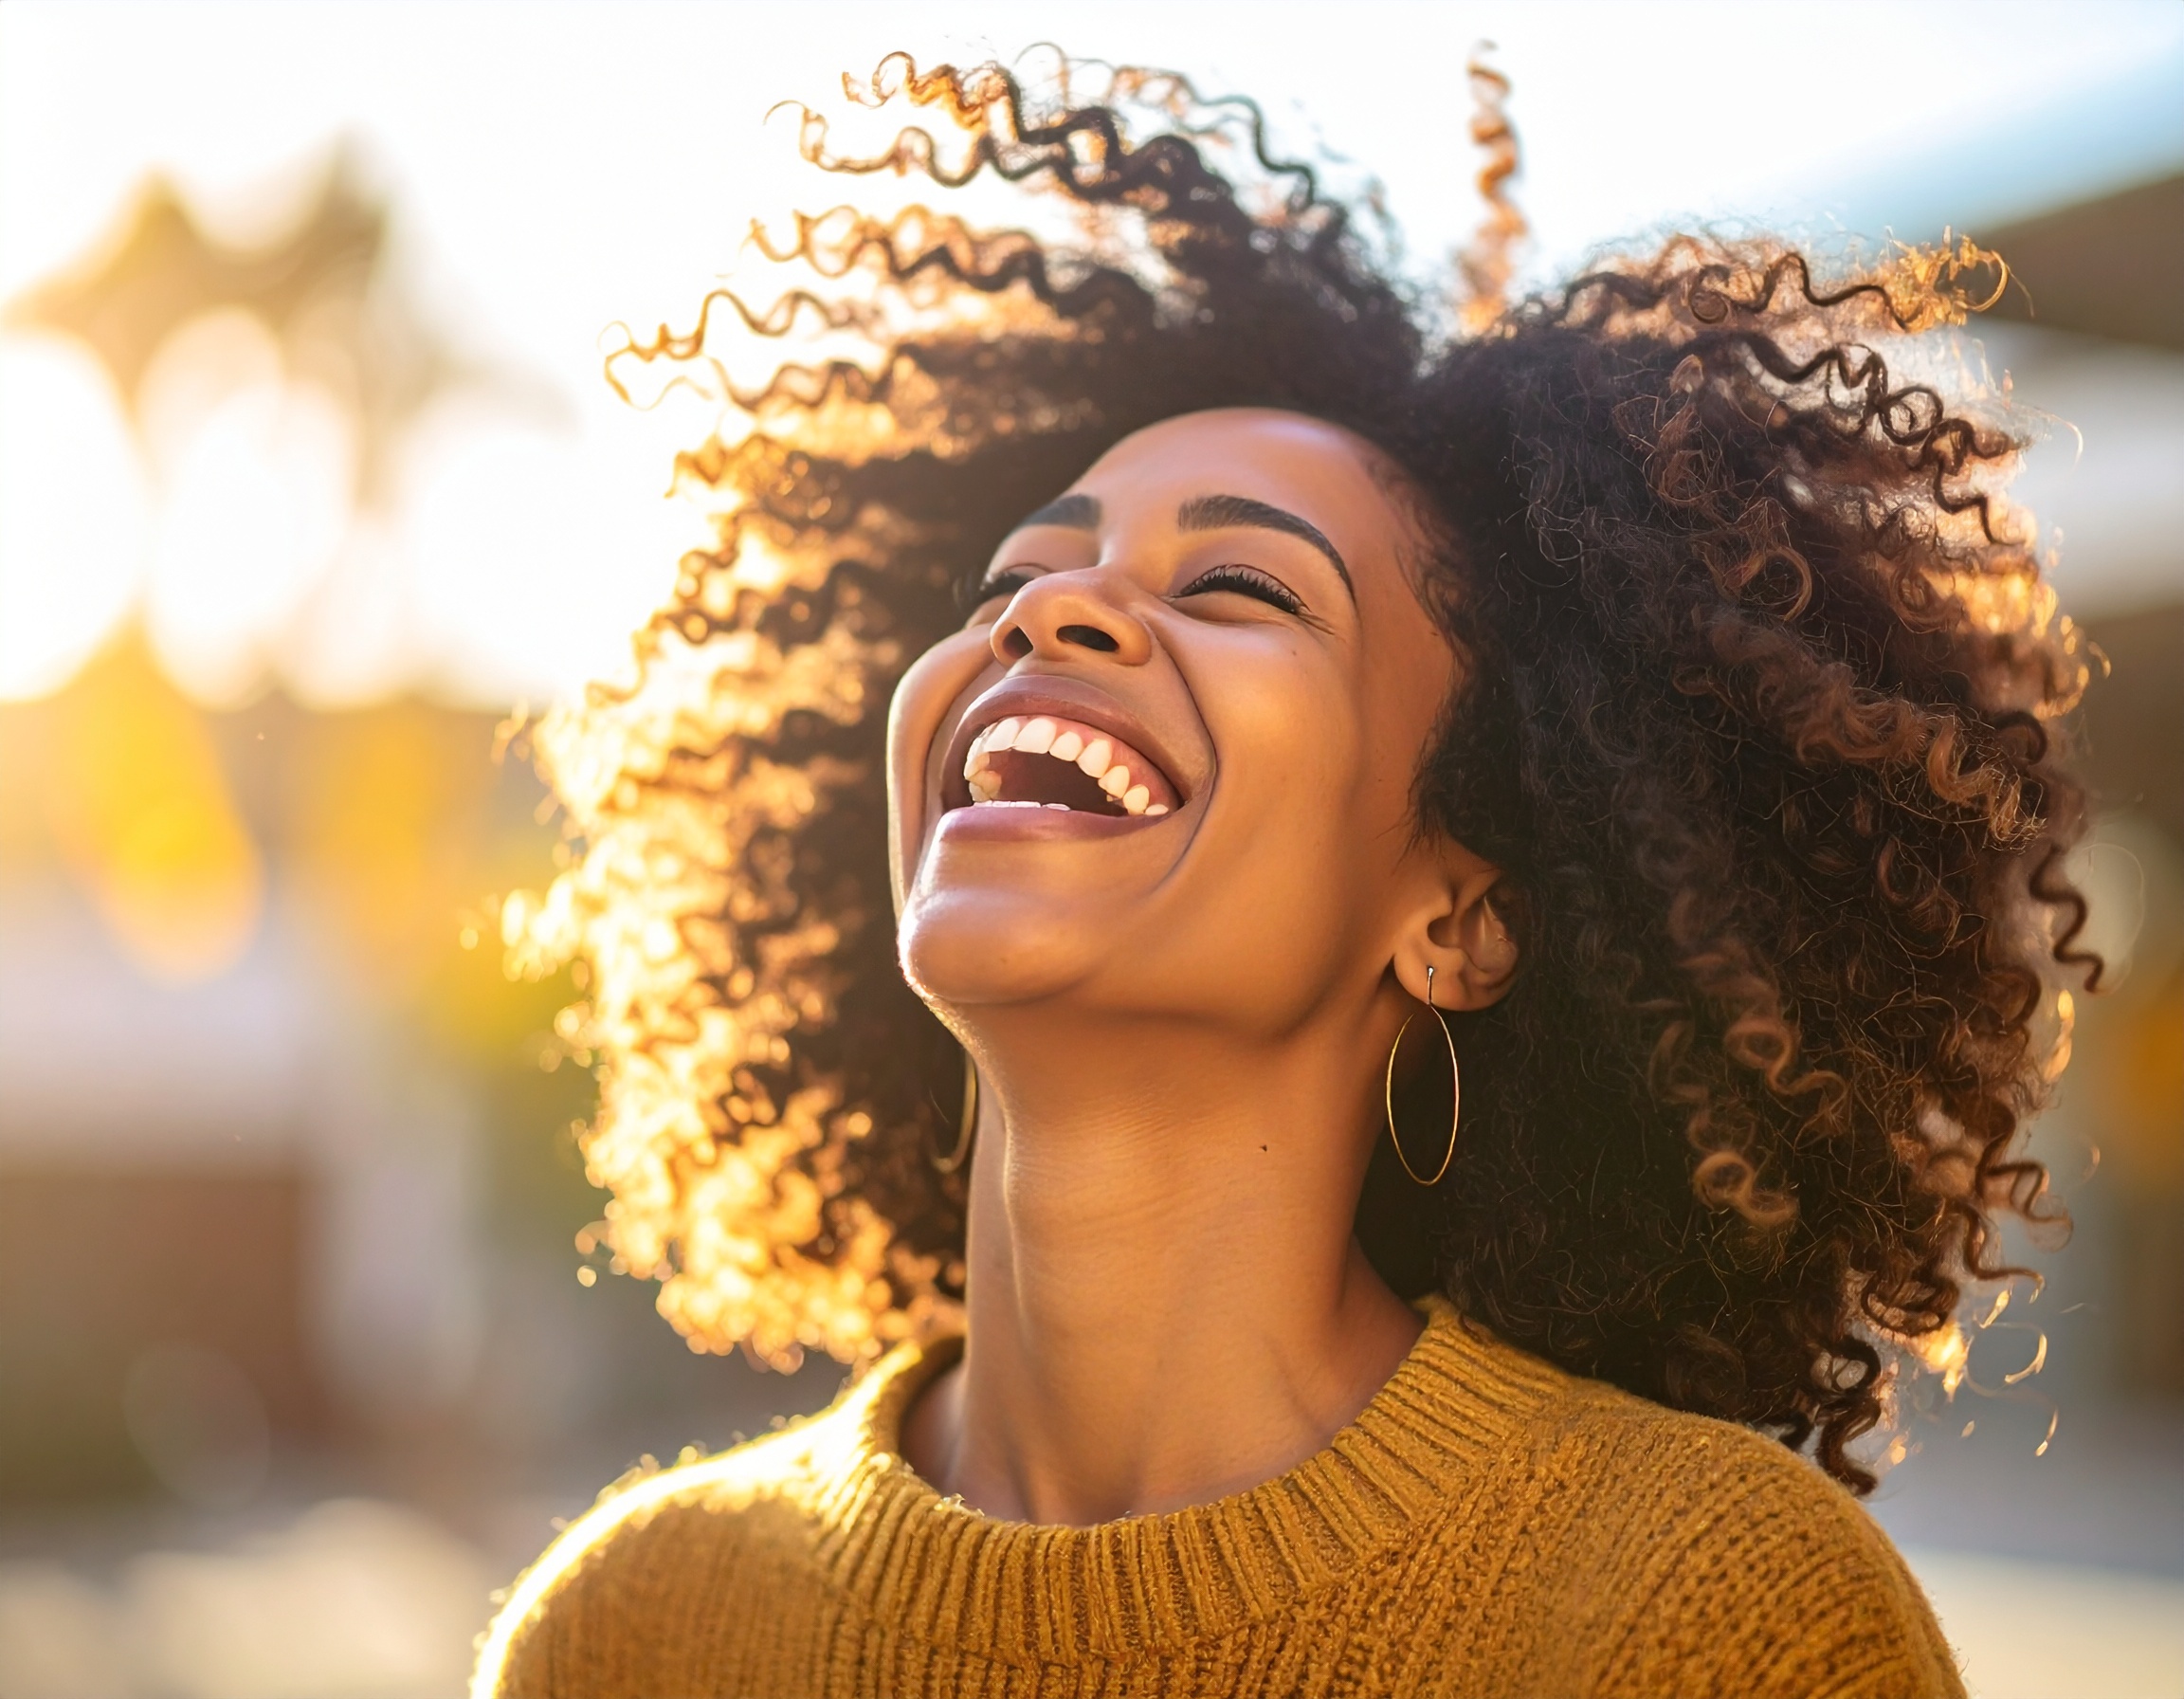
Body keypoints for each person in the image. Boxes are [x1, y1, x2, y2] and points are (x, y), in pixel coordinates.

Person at [474, 54, 2095, 1699]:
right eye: (1017, 578)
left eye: (1243, 585)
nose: (1048, 615)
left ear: (1460, 919)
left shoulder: (1705, 1620)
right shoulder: (631, 1633)